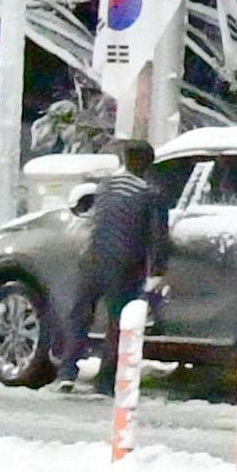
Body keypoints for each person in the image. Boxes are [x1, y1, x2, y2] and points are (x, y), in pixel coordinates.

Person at [75, 138, 173, 391]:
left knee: (80, 315)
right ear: (148, 165)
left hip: (92, 258)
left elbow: (92, 216)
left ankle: (66, 371)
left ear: (125, 160)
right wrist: (157, 272)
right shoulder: (149, 194)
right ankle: (105, 381)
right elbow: (158, 236)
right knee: (118, 322)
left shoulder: (105, 186)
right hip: (125, 264)